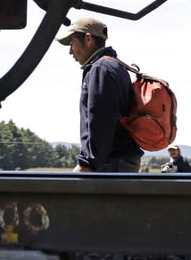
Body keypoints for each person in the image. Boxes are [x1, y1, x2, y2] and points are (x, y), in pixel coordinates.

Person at [56, 16, 142, 173]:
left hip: (110, 164)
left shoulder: (100, 68)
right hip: (120, 161)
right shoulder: (114, 66)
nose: (70, 51)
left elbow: (100, 120)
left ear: (88, 39)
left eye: (72, 43)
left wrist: (87, 163)